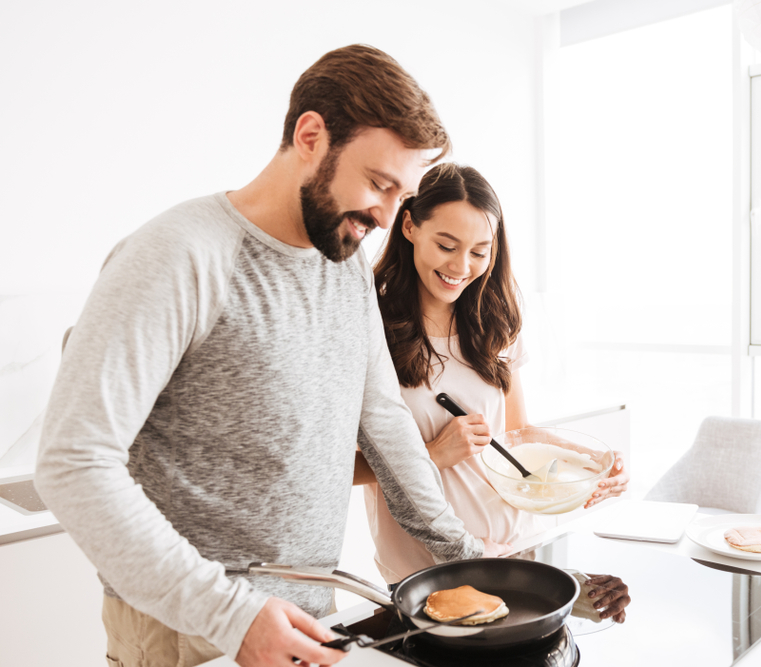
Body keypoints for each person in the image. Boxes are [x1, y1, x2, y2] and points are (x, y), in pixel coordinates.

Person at [34, 45, 506, 667]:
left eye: (404, 194)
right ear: (310, 136)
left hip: (309, 619)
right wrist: (230, 614)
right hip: (189, 630)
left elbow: (383, 418)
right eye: (378, 183)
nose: (390, 216)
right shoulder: (179, 255)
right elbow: (73, 463)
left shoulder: (346, 267)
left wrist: (464, 557)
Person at [354, 163, 630, 620]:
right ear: (408, 226)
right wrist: (432, 454)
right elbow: (332, 469)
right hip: (427, 573)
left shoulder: (493, 320)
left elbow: (517, 433)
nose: (461, 268)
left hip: (515, 551)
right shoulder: (369, 328)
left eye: (480, 252)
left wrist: (594, 464)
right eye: (446, 245)